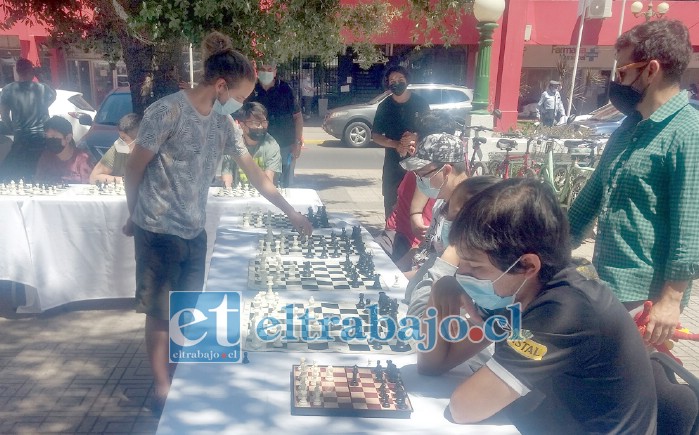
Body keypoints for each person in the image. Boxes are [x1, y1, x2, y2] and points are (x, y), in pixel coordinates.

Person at [122, 31, 313, 415]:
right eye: (241, 97)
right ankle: (162, 386)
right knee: (160, 312)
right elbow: (132, 169)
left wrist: (290, 212)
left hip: (194, 228)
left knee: (186, 309)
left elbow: (256, 174)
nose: (243, 106)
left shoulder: (225, 125)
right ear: (221, 86)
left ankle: (181, 377)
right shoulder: (167, 111)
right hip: (157, 227)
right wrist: (133, 214)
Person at [419, 178, 657, 434]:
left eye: (475, 267)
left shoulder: (564, 311)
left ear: (528, 265)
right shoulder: (517, 289)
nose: (461, 273)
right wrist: (439, 296)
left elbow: (464, 407)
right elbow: (433, 365)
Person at [569, 20, 699, 347]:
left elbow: (690, 224)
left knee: (632, 381)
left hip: (646, 298)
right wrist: (550, 248)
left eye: (624, 72)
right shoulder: (628, 127)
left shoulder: (688, 132)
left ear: (651, 70)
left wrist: (671, 300)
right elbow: (591, 196)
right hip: (606, 280)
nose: (618, 81)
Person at [404, 175, 500, 317]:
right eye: (446, 217)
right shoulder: (447, 258)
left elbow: (417, 327)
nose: (447, 224)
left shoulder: (489, 282)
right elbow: (410, 293)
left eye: (455, 219)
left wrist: (445, 264)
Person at [398, 114, 470, 273]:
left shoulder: (470, 214)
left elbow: (440, 272)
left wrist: (397, 279)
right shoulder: (441, 202)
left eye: (422, 173)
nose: (419, 180)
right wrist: (393, 270)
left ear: (446, 170)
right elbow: (424, 247)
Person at [371, 65, 430, 219]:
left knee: (415, 203)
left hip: (417, 161)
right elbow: (376, 135)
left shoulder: (421, 103)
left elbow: (429, 130)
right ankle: (390, 235)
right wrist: (396, 144)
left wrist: (414, 137)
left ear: (407, 81)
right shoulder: (384, 106)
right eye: (392, 80)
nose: (396, 83)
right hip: (393, 163)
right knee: (391, 202)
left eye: (400, 79)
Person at [246, 61, 303, 187]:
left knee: (285, 186)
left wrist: (297, 143)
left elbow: (298, 117)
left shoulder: (285, 89)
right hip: (258, 145)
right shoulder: (251, 90)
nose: (266, 72)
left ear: (275, 71)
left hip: (285, 145)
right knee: (259, 184)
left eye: (269, 69)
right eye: (262, 69)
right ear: (257, 71)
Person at [0, 58, 56, 181]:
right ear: (31, 71)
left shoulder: (8, 90)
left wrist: (13, 129)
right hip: (41, 137)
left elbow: (4, 115)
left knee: (19, 173)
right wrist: (41, 77)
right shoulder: (42, 88)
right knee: (42, 171)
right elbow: (53, 96)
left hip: (21, 138)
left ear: (17, 71)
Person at [221, 102, 281, 186]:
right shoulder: (233, 143)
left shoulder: (271, 144)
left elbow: (269, 179)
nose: (260, 127)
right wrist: (228, 190)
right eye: (255, 123)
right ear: (242, 125)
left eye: (263, 122)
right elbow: (227, 175)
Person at [34, 116, 92, 184]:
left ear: (68, 138)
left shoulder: (82, 159)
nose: (50, 141)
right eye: (48, 137)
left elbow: (88, 186)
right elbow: (38, 182)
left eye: (54, 137)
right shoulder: (46, 157)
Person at [89, 113, 142, 184]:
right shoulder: (117, 150)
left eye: (124, 139)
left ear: (139, 139)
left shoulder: (153, 154)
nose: (120, 142)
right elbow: (94, 177)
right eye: (120, 137)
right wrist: (123, 181)